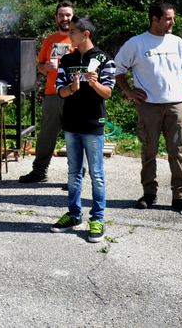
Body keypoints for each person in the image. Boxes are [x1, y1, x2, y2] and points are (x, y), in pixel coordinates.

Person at [114, 1, 182, 216]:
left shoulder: (178, 43)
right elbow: (117, 69)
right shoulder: (136, 43)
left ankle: (180, 196)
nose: (172, 22)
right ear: (154, 19)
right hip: (149, 108)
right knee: (149, 151)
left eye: (173, 18)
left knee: (178, 152)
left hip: (176, 105)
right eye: (168, 18)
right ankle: (149, 193)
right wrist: (128, 91)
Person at [50, 16, 115, 243]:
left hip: (93, 123)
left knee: (96, 174)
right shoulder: (66, 59)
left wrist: (94, 83)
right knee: (73, 172)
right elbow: (60, 91)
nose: (70, 36)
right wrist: (72, 87)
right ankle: (74, 214)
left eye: (74, 33)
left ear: (85, 34)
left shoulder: (104, 59)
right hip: (71, 123)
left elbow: (108, 92)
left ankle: (97, 218)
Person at [19, 1, 76, 183]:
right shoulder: (50, 40)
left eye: (68, 15)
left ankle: (75, 177)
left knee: (74, 137)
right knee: (46, 136)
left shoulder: (80, 38)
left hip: (75, 96)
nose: (65, 18)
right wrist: (47, 66)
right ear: (56, 18)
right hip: (52, 94)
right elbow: (41, 66)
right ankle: (39, 172)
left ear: (73, 17)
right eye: (61, 15)